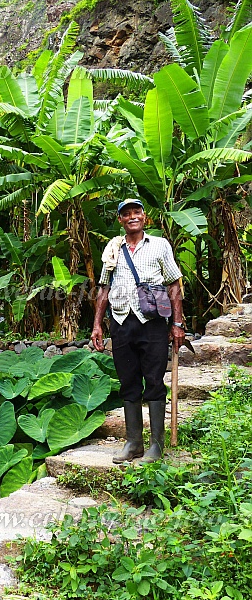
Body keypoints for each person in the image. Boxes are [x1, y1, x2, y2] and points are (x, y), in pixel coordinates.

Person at [91, 198, 185, 463]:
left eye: (136, 212)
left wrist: (177, 324)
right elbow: (103, 288)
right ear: (120, 220)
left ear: (144, 217)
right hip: (121, 321)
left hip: (152, 322)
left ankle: (156, 445)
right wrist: (98, 324)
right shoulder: (113, 249)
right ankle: (133, 443)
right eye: (126, 214)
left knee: (154, 381)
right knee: (128, 381)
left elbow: (174, 284)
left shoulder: (159, 245)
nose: (132, 217)